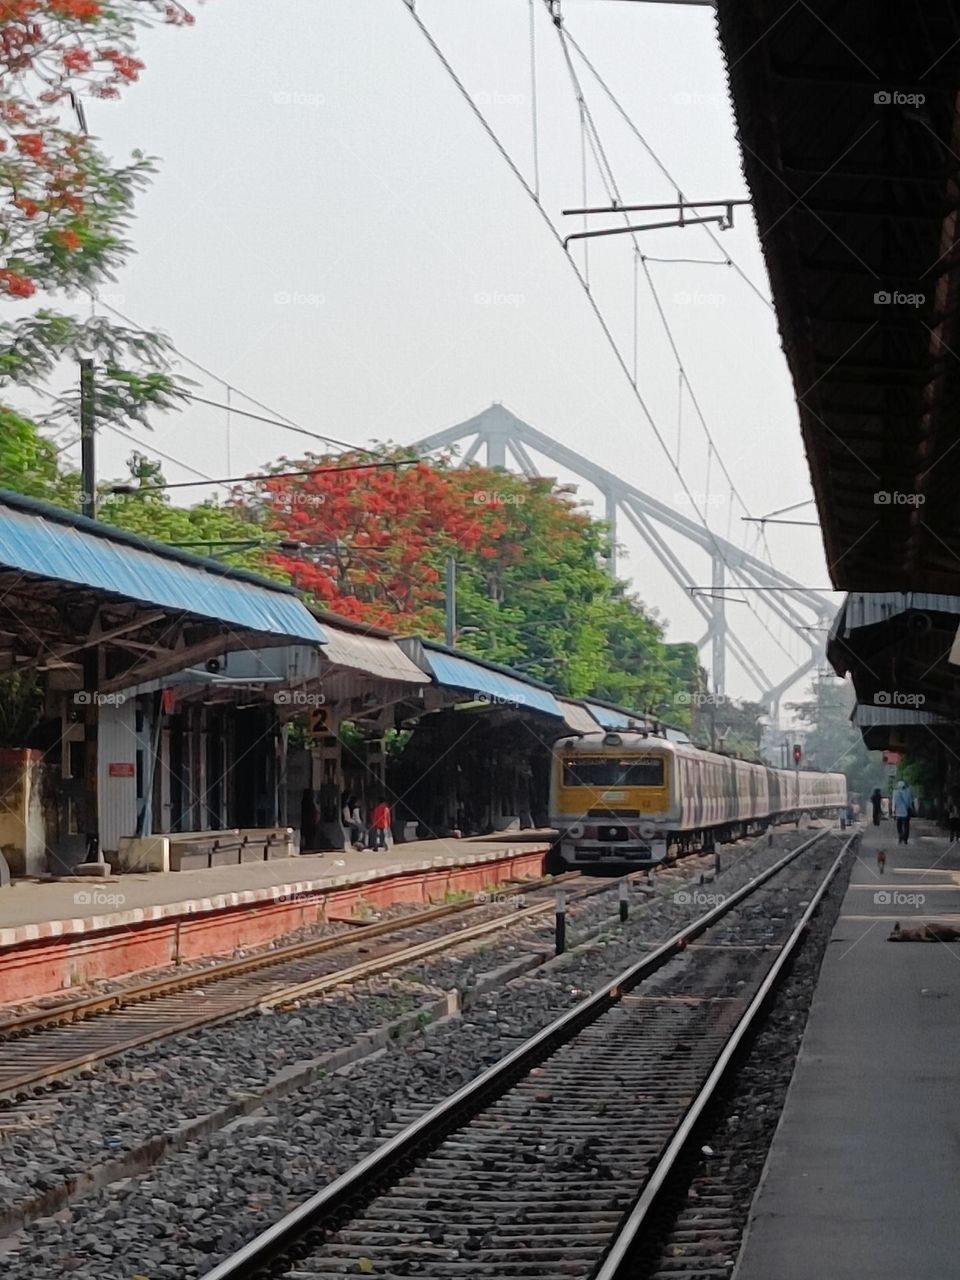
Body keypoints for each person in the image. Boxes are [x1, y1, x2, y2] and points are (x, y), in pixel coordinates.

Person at [893, 780, 914, 845]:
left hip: (898, 812)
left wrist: (893, 811)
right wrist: (911, 808)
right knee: (906, 825)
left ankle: (900, 835)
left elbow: (894, 802)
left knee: (899, 825)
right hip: (906, 811)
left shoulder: (895, 792)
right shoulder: (908, 792)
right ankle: (905, 839)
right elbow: (910, 802)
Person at [300, 788, 318, 852]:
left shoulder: (304, 803)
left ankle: (308, 847)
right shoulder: (309, 803)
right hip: (310, 823)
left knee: (307, 837)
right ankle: (309, 848)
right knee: (310, 837)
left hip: (306, 823)